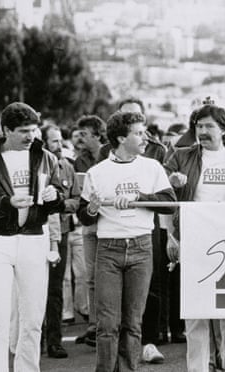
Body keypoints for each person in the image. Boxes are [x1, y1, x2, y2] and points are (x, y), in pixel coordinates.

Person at [77, 110, 176, 372]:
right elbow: (85, 217)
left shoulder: (152, 167)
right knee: (107, 324)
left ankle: (128, 368)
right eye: (139, 133)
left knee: (133, 322)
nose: (145, 138)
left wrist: (139, 198)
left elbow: (169, 204)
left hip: (142, 248)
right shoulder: (97, 172)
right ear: (121, 138)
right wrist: (92, 209)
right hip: (108, 249)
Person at [164, 104, 225, 372]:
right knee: (196, 309)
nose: (202, 131)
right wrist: (172, 185)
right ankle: (198, 367)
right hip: (193, 238)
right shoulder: (181, 156)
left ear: (223, 129)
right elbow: (160, 195)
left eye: (209, 126)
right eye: (199, 126)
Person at [0, 102, 64, 372]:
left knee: (33, 318)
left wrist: (54, 196)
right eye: (23, 131)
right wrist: (7, 202)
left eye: (34, 130)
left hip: (35, 238)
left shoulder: (46, 157)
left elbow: (61, 198)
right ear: (6, 130)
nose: (30, 136)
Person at [41, 124, 79, 359]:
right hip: (37, 231)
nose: (58, 145)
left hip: (62, 231)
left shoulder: (68, 167)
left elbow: (76, 198)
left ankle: (54, 340)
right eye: (53, 141)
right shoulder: (38, 166)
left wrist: (62, 205)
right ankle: (34, 339)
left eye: (60, 140)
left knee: (55, 289)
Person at [73, 115, 107, 348]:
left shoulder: (111, 155)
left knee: (109, 276)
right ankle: (94, 325)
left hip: (111, 223)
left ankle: (107, 324)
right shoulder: (79, 161)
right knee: (91, 276)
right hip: (89, 223)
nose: (79, 139)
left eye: (84, 134)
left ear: (97, 134)